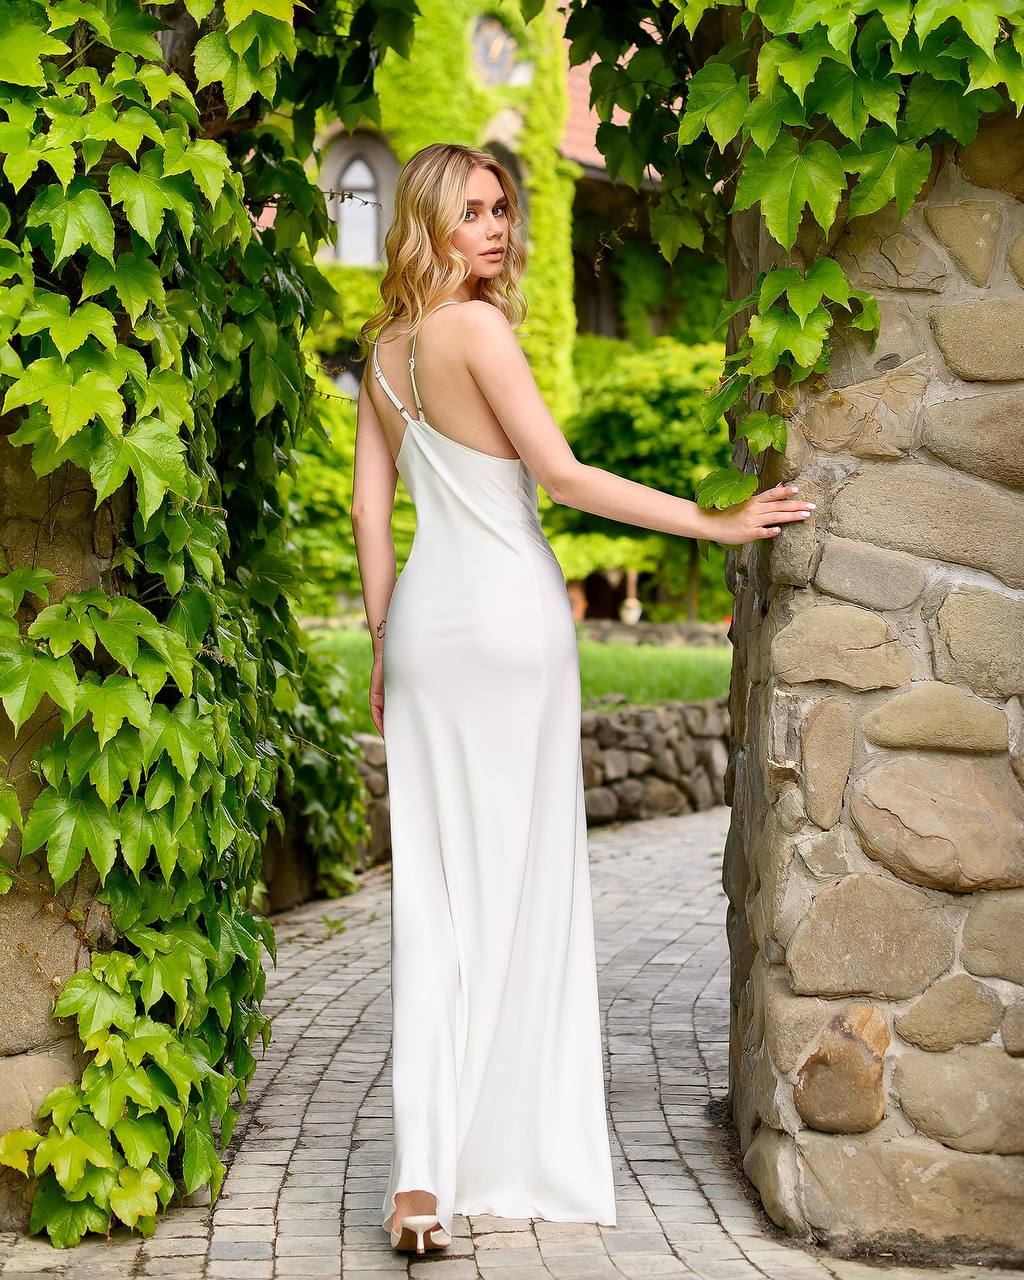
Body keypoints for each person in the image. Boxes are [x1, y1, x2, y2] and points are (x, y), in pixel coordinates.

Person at [350, 142, 815, 1255]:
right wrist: (715, 521)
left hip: (421, 627)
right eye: (473, 212)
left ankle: (421, 1178)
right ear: (429, 224)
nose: (498, 228)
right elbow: (559, 476)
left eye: (502, 208)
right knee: (524, 887)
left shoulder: (383, 352)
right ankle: (510, 1147)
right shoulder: (478, 330)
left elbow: (372, 513)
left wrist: (379, 641)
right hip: (510, 620)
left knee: (435, 898)